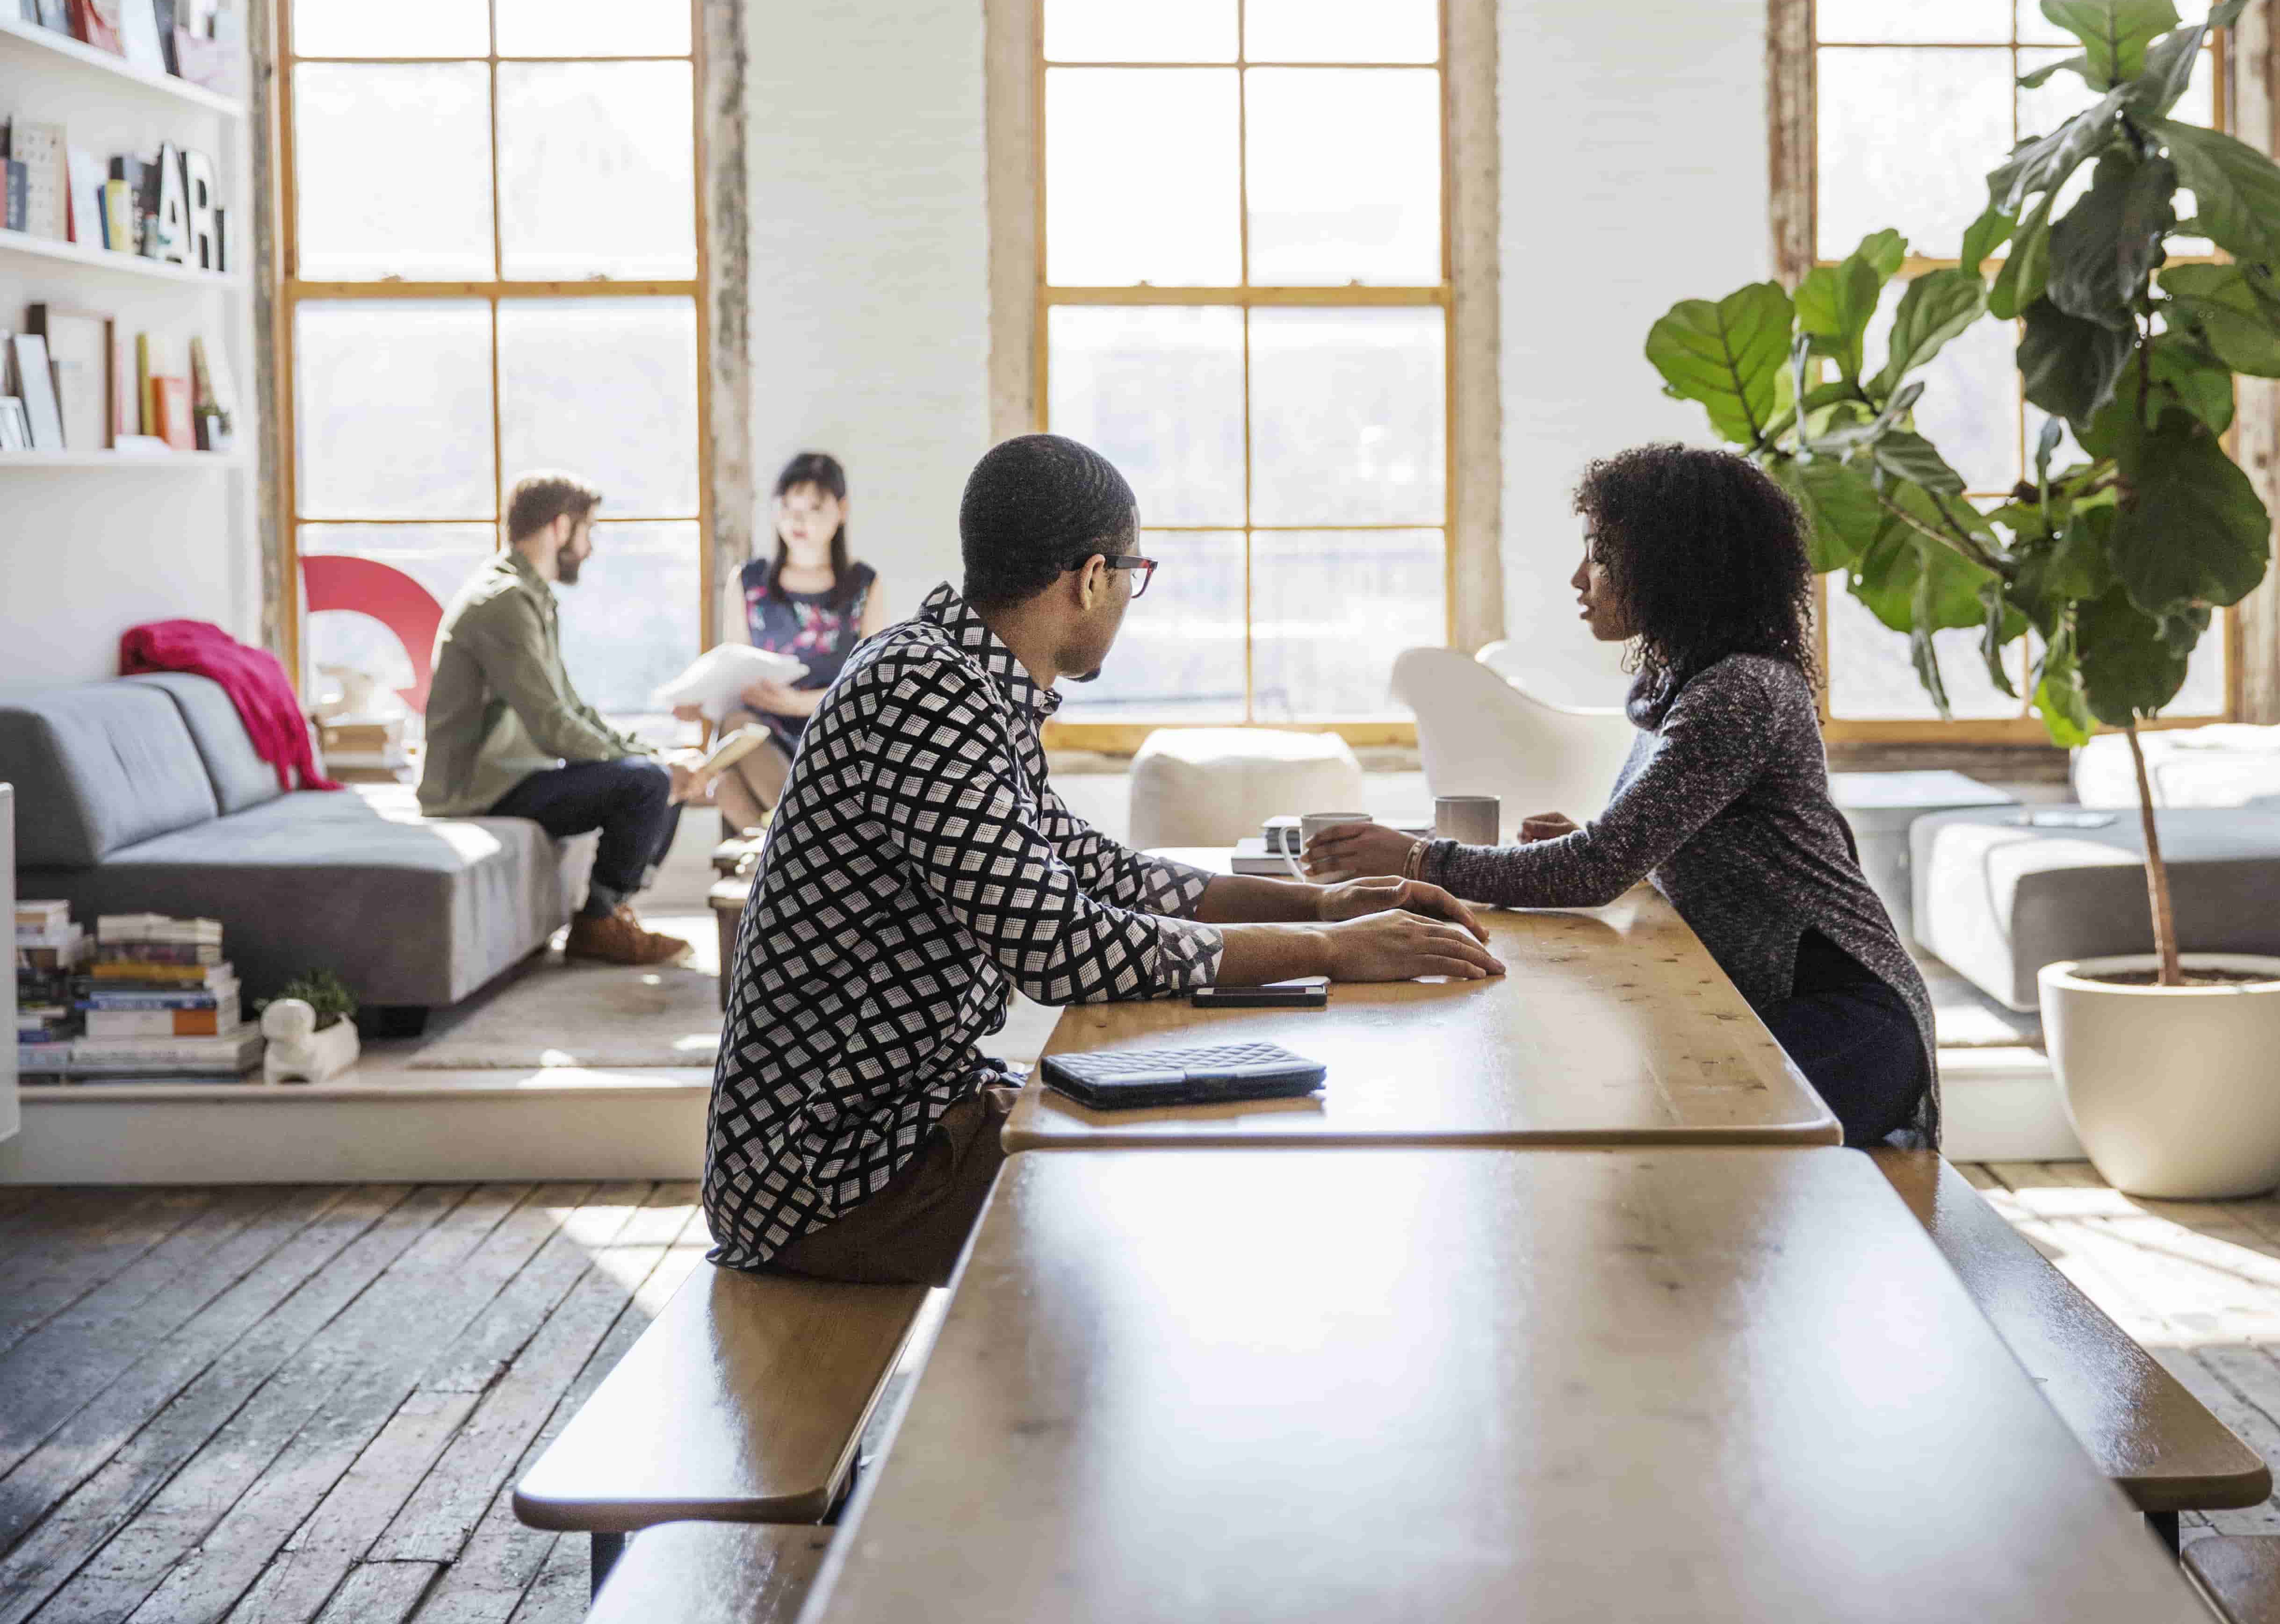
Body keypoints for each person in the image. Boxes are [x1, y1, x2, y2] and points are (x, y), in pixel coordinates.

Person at [701, 433, 1503, 1283]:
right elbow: (1061, 945)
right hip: (831, 1175)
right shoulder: (924, 693)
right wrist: (1334, 953)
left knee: (1211, 1151)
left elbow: (1097, 869)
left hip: (909, 1122)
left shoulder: (958, 679)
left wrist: (1316, 906)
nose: (1128, 595)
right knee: (1189, 1218)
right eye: (1132, 574)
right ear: (1091, 578)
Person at [1304, 442, 1937, 1148]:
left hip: (1846, 1023)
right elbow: (1630, 852)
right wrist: (1599, 844)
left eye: (1601, 555)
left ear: (1676, 565)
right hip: (1777, 1005)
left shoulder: (1738, 693)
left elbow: (1594, 870)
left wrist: (1422, 858)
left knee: (1651, 1130)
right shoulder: (1681, 687)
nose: (1581, 578)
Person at [419, 473, 712, 966]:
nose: (590, 547)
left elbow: (572, 709)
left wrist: (654, 755)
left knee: (659, 772)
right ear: (560, 527)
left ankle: (611, 913)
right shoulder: (504, 603)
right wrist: (651, 769)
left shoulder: (527, 597)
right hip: (479, 788)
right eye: (587, 531)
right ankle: (599, 923)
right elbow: (552, 726)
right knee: (646, 783)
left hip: (515, 774)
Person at [701, 451, 888, 831]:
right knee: (731, 747)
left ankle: (792, 843)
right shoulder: (749, 581)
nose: (797, 519)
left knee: (729, 783)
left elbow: (871, 689)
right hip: (762, 730)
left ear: (841, 510)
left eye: (814, 508)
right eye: (787, 506)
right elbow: (734, 672)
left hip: (833, 735)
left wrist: (800, 703)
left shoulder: (863, 585)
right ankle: (805, 842)